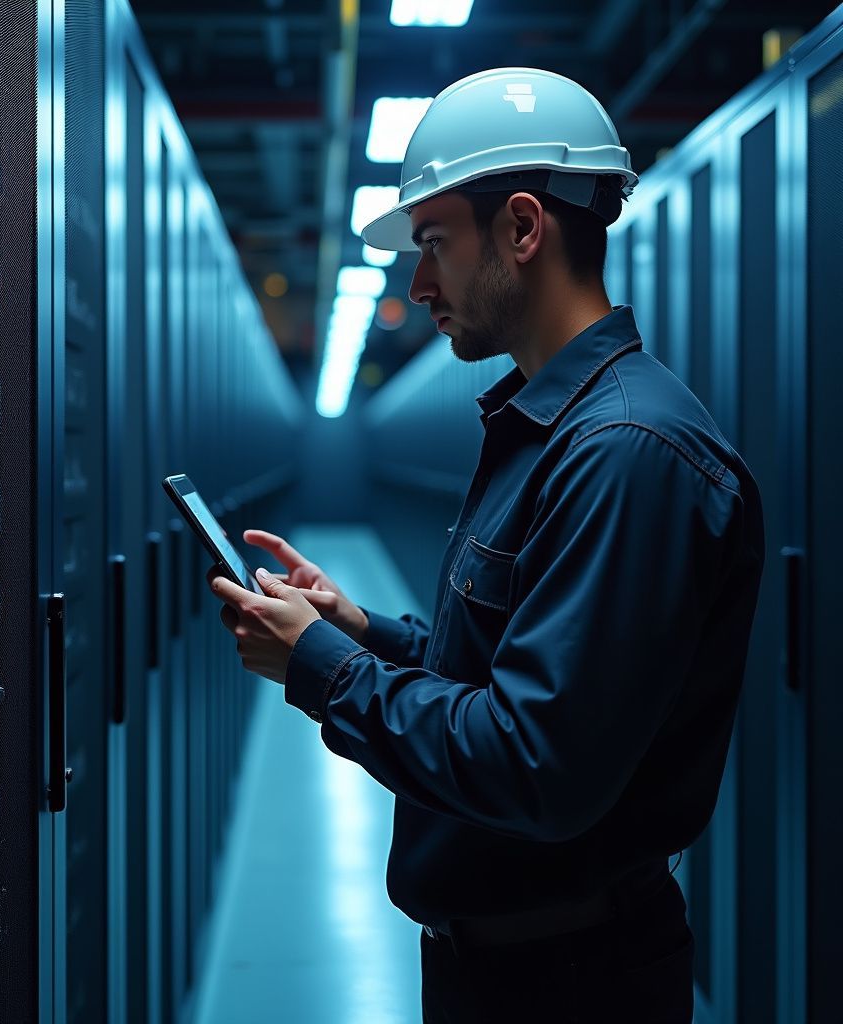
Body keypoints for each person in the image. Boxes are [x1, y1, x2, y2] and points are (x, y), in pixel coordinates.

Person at [207, 68, 764, 1022]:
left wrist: (320, 667)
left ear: (520, 228)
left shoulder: (625, 454)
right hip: (505, 969)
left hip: (572, 985)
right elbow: (508, 672)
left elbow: (533, 762)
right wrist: (361, 630)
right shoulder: (548, 435)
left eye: (433, 246)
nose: (418, 285)